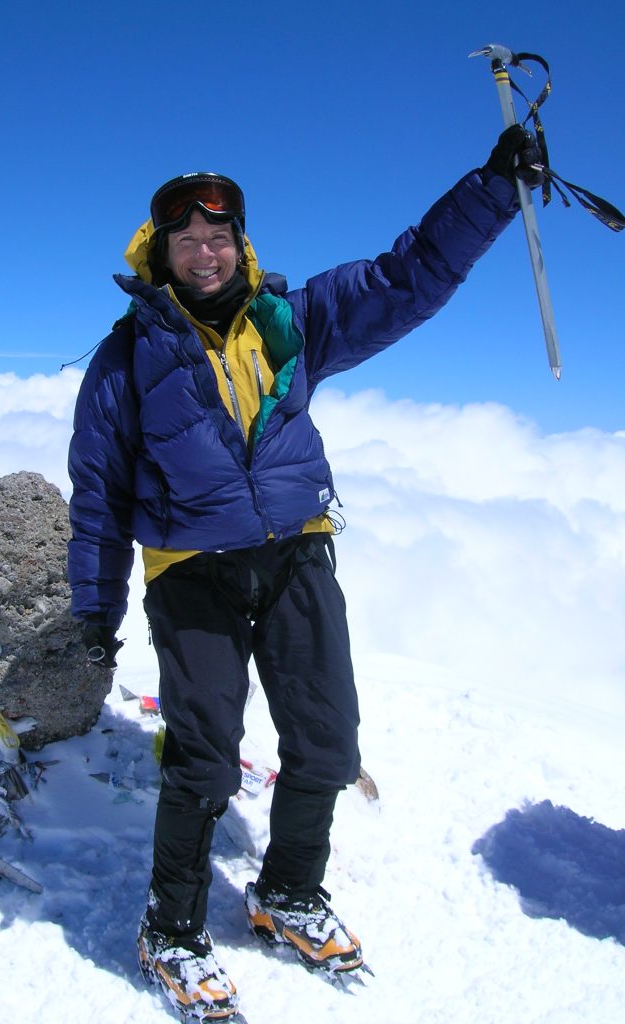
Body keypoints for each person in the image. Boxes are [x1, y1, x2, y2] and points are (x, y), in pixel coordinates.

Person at [67, 126, 543, 1021]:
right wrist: (96, 614)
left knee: (326, 743)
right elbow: (96, 497)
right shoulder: (126, 359)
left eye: (219, 237)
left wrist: (489, 188)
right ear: (160, 250)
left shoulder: (294, 322)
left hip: (297, 556)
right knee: (205, 762)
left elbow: (408, 278)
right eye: (186, 241)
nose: (204, 254)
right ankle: (170, 929)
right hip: (191, 571)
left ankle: (285, 892)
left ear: (239, 243)